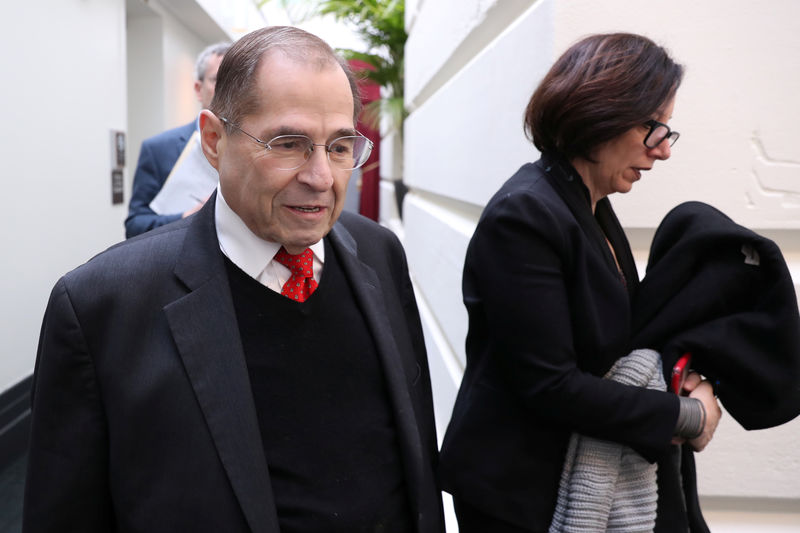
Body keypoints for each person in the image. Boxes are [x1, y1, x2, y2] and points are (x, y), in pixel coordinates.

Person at [24, 26, 443, 533]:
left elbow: (416, 453)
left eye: (338, 147)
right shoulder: (101, 306)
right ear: (214, 141)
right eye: (289, 144)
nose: (322, 177)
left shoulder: (379, 254)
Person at [438, 33, 723, 532]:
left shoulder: (590, 206)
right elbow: (549, 383)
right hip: (520, 494)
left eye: (667, 132)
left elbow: (611, 347)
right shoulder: (525, 215)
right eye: (653, 127)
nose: (663, 150)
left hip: (560, 479)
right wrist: (683, 416)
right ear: (601, 111)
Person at [124, 41, 230, 238]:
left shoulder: (260, 146)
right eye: (217, 80)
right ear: (198, 89)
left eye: (234, 80)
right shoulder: (159, 149)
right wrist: (188, 216)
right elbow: (135, 226)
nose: (227, 87)